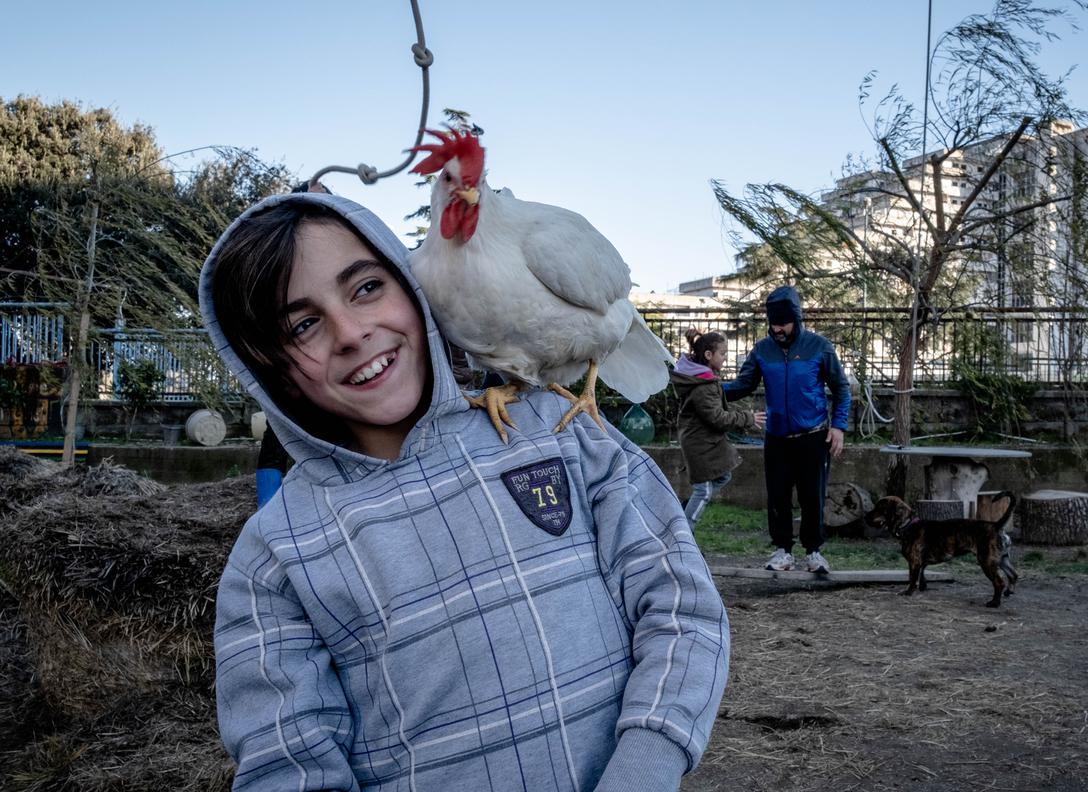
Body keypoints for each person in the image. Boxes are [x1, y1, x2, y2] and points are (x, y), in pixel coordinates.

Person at [201, 192, 729, 791]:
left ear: (411, 285)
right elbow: (286, 764)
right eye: (303, 324)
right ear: (267, 366)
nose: (350, 333)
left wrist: (642, 772)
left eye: (367, 288)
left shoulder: (566, 437)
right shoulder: (276, 556)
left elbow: (682, 609)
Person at [723, 285, 851, 574]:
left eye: (783, 323)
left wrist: (839, 427)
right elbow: (742, 385)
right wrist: (704, 388)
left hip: (813, 436)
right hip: (777, 437)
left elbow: (841, 389)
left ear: (796, 320)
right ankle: (782, 551)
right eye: (773, 323)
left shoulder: (819, 347)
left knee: (812, 495)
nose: (777, 329)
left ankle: (814, 552)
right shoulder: (762, 350)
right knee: (778, 495)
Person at [671, 327, 764, 527]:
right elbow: (717, 417)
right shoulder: (702, 386)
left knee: (724, 475)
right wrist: (747, 418)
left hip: (705, 441)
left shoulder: (703, 380)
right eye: (722, 354)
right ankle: (686, 535)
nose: (724, 358)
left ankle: (683, 511)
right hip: (699, 445)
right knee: (702, 491)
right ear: (708, 355)